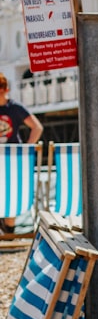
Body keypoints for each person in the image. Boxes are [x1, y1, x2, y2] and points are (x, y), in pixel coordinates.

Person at [0, 71, 44, 234]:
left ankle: (9, 233)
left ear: (4, 89)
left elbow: (37, 127)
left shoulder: (14, 108)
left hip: (12, 159)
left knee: (11, 193)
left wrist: (26, 149)